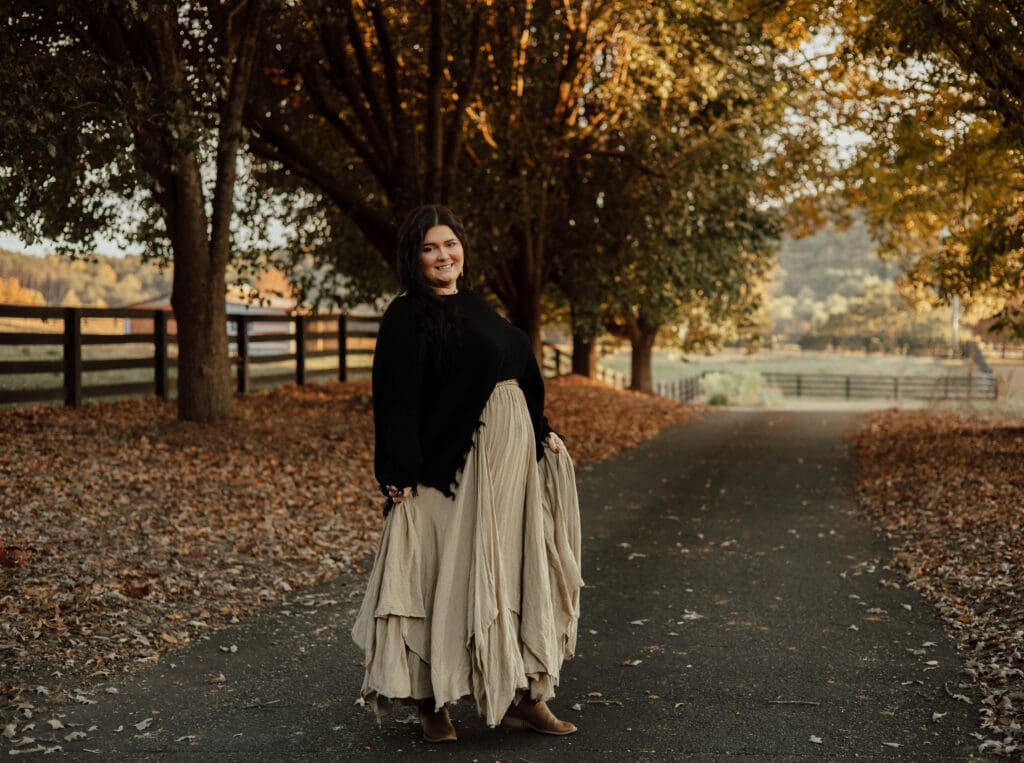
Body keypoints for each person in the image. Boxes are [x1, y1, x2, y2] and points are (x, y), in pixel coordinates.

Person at [351, 204, 583, 743]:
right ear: (415, 257)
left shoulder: (480, 307)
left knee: (512, 571)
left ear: (463, 250)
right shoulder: (408, 315)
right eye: (430, 248)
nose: (443, 256)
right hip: (450, 467)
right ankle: (432, 700)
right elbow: (396, 399)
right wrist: (398, 471)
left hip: (508, 467)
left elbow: (520, 371)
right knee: (444, 572)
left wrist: (542, 426)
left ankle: (527, 693)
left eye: (450, 245)